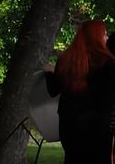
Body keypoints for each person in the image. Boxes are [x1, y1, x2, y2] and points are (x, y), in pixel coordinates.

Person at [45, 20, 115, 164]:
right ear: (96, 37)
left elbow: (53, 91)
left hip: (69, 125)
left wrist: (49, 74)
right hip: (98, 126)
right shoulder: (107, 62)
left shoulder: (66, 59)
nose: (106, 38)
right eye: (104, 34)